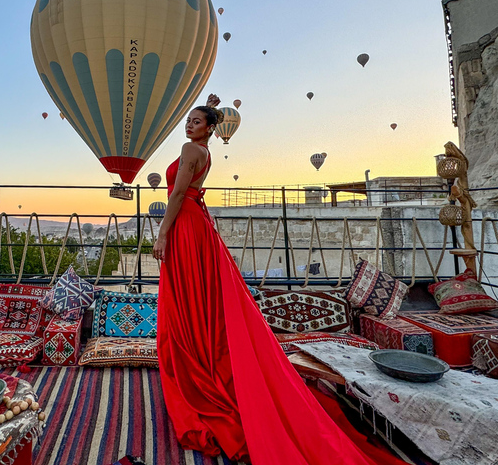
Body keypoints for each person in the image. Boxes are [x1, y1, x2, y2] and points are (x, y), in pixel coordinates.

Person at [153, 95, 400, 464]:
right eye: (187, 120)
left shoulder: (191, 150)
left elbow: (175, 195)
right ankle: (202, 356)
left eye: (196, 121)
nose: (188, 125)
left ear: (208, 129)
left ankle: (196, 363)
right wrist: (209, 105)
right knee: (200, 296)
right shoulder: (204, 152)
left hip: (186, 224)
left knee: (189, 296)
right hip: (196, 224)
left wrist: (162, 233)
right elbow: (186, 183)